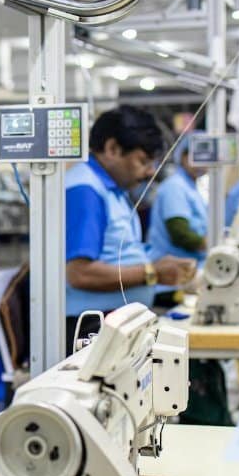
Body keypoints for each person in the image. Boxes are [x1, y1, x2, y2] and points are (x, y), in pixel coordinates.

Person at [65, 106, 197, 345]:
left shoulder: (113, 190)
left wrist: (161, 264)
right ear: (112, 149)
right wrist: (151, 273)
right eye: (143, 161)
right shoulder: (85, 191)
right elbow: (79, 273)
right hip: (89, 328)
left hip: (113, 321)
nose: (150, 172)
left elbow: (120, 251)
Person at [148, 133, 210, 308]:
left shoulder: (192, 187)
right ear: (183, 157)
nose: (202, 163)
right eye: (196, 157)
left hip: (187, 276)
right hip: (171, 281)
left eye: (206, 157)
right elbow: (180, 234)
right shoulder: (175, 187)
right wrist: (212, 244)